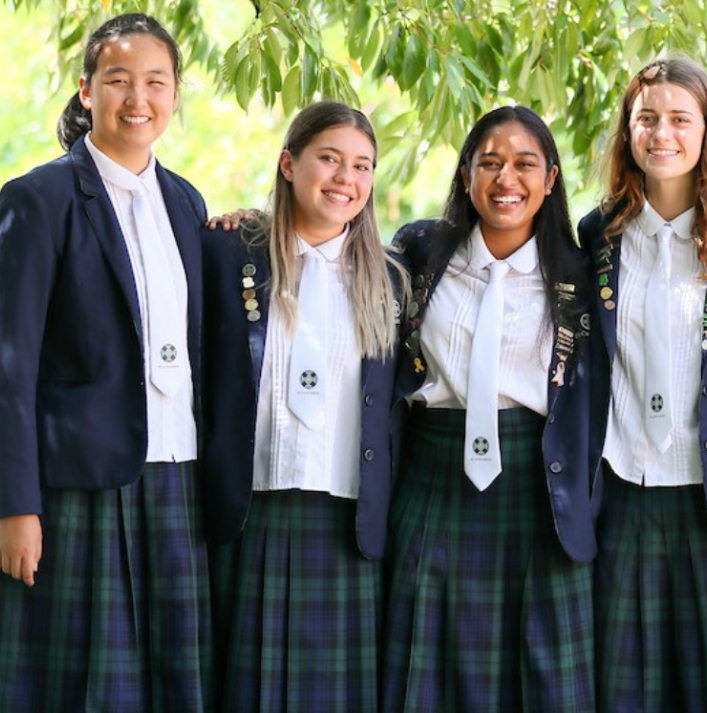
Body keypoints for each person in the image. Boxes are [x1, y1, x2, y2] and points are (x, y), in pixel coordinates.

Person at [0, 13, 212, 712]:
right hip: (80, 487)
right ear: (87, 91)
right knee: (86, 687)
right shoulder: (38, 199)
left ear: (174, 94)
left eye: (156, 82)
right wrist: (15, 505)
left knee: (175, 682)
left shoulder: (186, 201)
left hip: (178, 476)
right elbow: (9, 366)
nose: (138, 99)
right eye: (118, 80)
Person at [577, 56, 707, 712]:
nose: (661, 133)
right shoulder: (596, 235)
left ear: (706, 130)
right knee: (624, 691)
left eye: (679, 119)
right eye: (646, 118)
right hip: (622, 495)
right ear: (626, 131)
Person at [383, 105, 599, 713]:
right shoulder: (421, 250)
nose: (507, 179)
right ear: (466, 175)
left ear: (550, 179)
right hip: (432, 478)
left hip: (539, 488)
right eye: (490, 163)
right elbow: (337, 248)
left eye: (525, 164)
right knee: (425, 669)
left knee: (541, 675)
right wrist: (254, 223)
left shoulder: (580, 274)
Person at [201, 100, 407, 712]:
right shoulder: (226, 254)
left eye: (362, 166)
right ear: (289, 164)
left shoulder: (392, 280)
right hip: (247, 514)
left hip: (347, 523)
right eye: (330, 159)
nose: (346, 178)